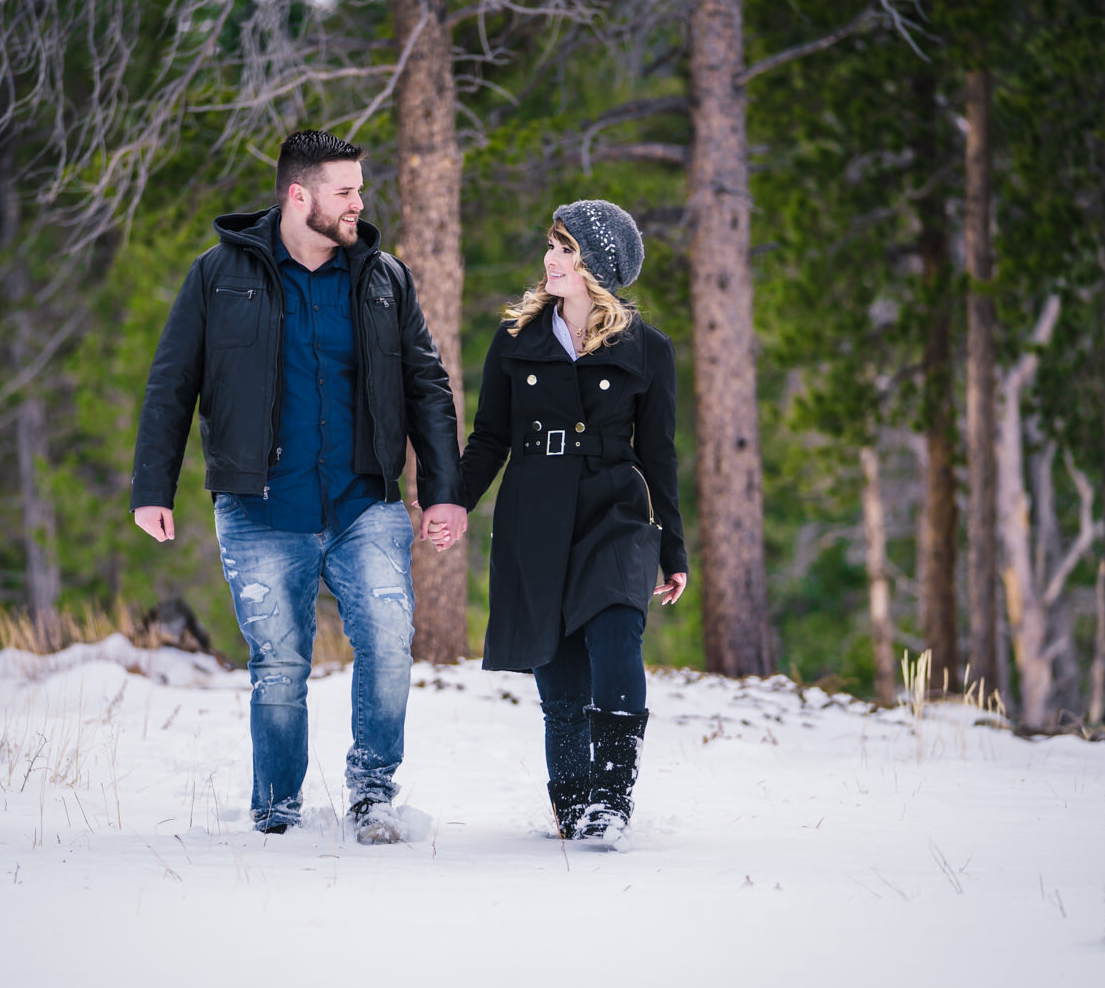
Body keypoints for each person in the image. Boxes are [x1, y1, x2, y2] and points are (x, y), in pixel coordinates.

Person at [131, 129, 467, 844]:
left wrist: (443, 489)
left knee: (387, 640)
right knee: (279, 662)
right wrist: (151, 487)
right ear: (298, 195)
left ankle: (374, 794)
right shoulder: (217, 276)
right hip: (260, 508)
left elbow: (427, 387)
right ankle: (277, 807)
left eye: (359, 190)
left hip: (363, 502)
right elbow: (171, 384)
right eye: (345, 191)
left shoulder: (385, 279)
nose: (359, 203)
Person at [446, 199, 688, 848]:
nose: (550, 259)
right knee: (559, 678)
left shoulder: (648, 349)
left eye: (565, 250)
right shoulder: (516, 340)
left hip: (615, 510)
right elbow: (491, 437)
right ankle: (574, 805)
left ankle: (610, 802)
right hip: (534, 515)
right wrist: (453, 503)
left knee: (616, 638)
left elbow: (660, 453)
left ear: (596, 268)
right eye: (551, 246)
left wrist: (675, 550)